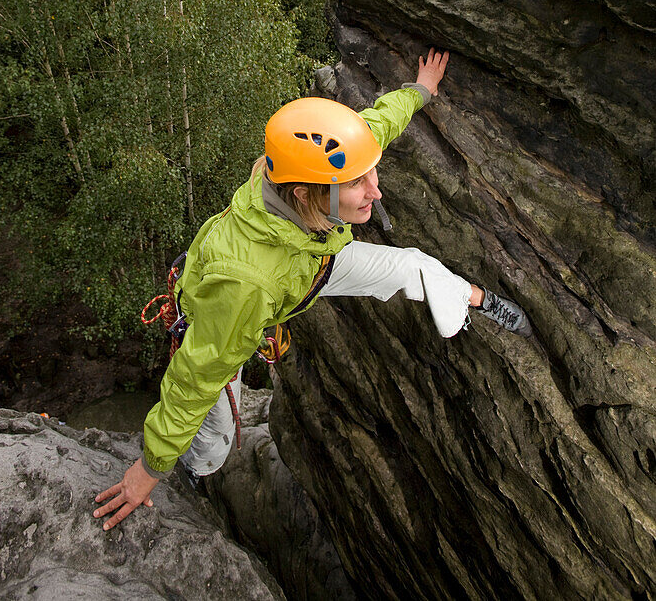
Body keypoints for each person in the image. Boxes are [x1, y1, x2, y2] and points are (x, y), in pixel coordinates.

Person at [94, 49, 531, 530]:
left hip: (310, 254)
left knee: (413, 266)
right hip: (247, 301)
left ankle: (476, 300)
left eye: (371, 174)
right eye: (356, 184)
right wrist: (149, 469)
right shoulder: (248, 286)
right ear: (306, 193)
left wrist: (420, 91)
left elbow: (373, 126)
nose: (375, 191)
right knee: (217, 434)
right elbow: (196, 376)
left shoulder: (302, 174)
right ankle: (198, 473)